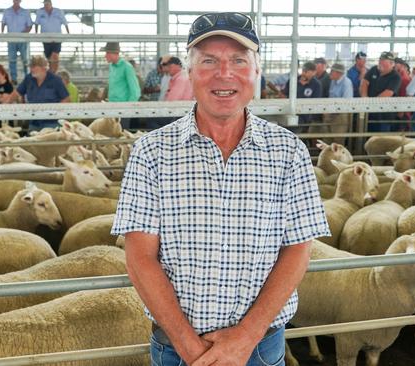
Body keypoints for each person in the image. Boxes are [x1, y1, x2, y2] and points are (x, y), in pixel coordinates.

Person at [112, 11, 329, 366]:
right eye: (209, 61)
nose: (224, 74)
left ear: (256, 71)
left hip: (260, 346)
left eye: (238, 61)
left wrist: (244, 339)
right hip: (177, 350)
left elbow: (297, 251)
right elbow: (140, 258)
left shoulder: (289, 152)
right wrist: (192, 350)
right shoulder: (151, 153)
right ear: (189, 72)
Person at [5, 55, 69, 131]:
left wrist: (55, 113)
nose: (31, 69)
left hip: (52, 123)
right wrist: (5, 104)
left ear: (44, 68)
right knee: (33, 141)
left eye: (34, 67)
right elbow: (17, 93)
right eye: (31, 67)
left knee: (49, 141)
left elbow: (66, 99)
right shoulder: (28, 79)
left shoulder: (56, 80)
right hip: (34, 122)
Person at [100, 42, 141, 128]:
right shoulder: (112, 66)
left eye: (107, 53)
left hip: (123, 108)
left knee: (122, 135)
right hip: (111, 107)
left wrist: (127, 108)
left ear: (114, 53)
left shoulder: (127, 67)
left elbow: (135, 91)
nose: (105, 56)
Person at [361, 51, 401, 132]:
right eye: (380, 61)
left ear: (392, 64)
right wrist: (364, 97)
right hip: (370, 113)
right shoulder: (374, 69)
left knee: (382, 139)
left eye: (383, 62)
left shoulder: (396, 77)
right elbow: (365, 82)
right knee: (368, 135)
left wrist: (372, 103)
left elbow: (389, 92)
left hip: (385, 115)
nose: (380, 64)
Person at [2, 0, 33, 83]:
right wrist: (2, 36)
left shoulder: (26, 12)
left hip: (22, 39)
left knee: (25, 60)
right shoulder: (6, 11)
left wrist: (23, 33)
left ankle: (28, 77)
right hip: (11, 39)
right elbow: (3, 23)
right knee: (12, 60)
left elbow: (30, 26)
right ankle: (14, 79)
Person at [282, 61, 322, 125]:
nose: (303, 73)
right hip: (291, 112)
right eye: (303, 71)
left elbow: (316, 101)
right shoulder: (292, 81)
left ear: (314, 73)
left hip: (307, 115)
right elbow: (284, 94)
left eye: (306, 72)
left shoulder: (316, 85)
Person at [35, 0, 69, 73]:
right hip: (45, 38)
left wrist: (68, 34)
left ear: (50, 4)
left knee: (55, 55)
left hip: (57, 38)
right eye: (44, 4)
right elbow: (36, 23)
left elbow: (65, 23)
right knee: (49, 57)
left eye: (47, 4)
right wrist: (36, 34)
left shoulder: (59, 11)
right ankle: (51, 73)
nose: (45, 5)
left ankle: (54, 73)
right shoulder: (40, 12)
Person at [322, 63, 353, 143]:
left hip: (340, 115)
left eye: (332, 71)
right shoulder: (333, 81)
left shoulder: (346, 83)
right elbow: (331, 96)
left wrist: (332, 111)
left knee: (338, 140)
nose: (330, 73)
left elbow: (347, 102)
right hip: (330, 112)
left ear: (339, 73)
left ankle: (337, 155)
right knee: (327, 139)